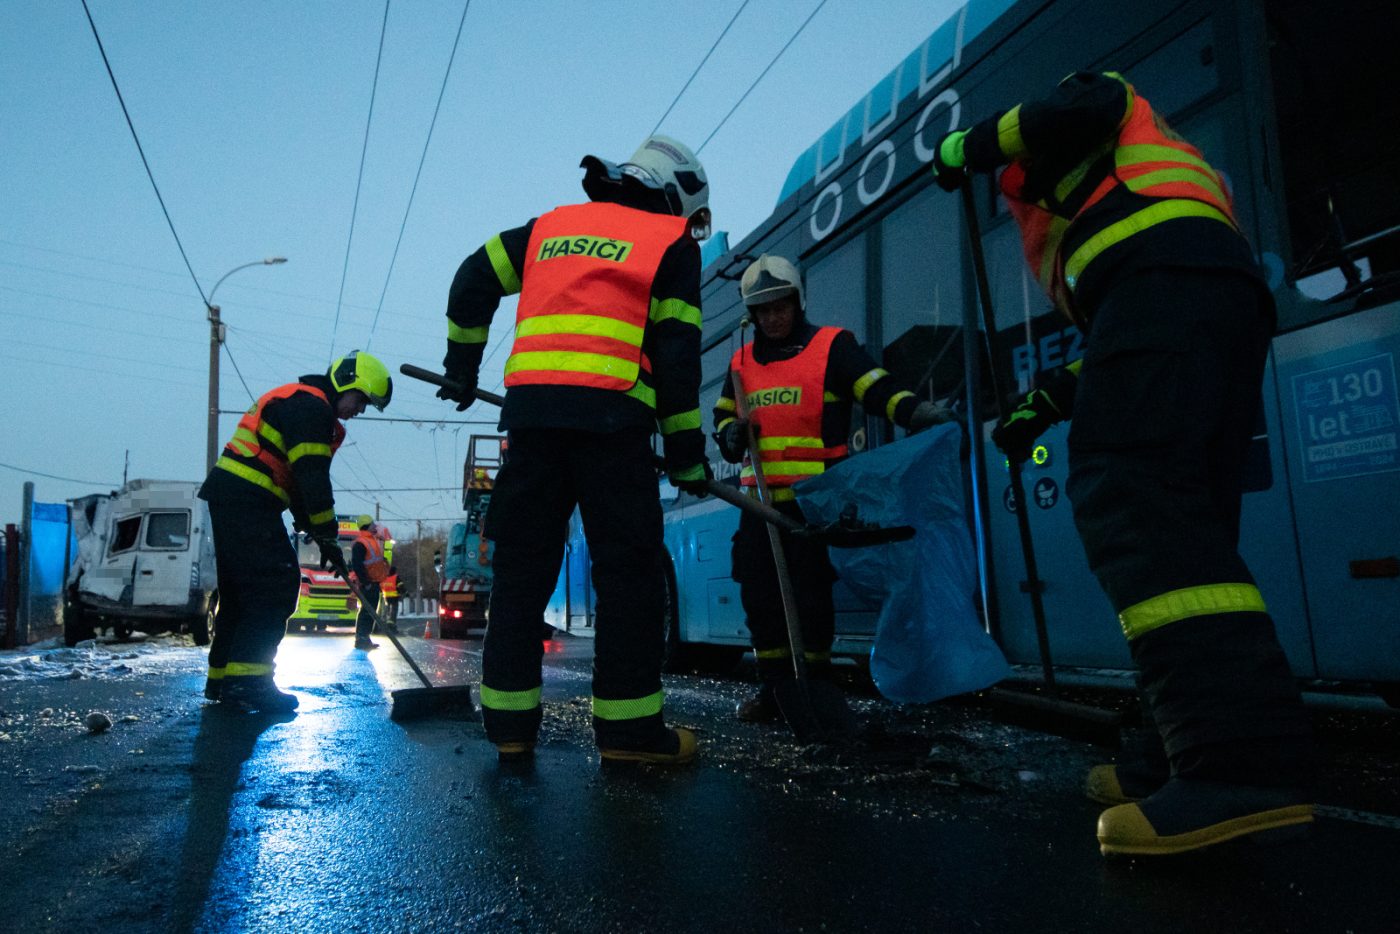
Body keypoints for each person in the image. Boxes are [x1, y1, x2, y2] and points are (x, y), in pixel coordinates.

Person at [931, 71, 1313, 855]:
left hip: (1174, 286)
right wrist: (1049, 400)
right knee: (1186, 525)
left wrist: (972, 143)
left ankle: (1236, 766)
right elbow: (1138, 323)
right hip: (1202, 297)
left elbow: (1084, 104)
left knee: (1132, 493)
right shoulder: (1132, 197)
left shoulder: (1093, 105)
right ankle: (1173, 753)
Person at [436, 134, 713, 764]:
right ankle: (629, 733)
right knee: (628, 577)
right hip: (612, 427)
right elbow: (676, 359)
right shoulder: (668, 242)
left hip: (532, 424)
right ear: (675, 196)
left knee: (521, 574)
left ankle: (508, 728)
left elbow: (472, 276)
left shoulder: (547, 230)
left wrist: (462, 362)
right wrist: (688, 455)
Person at [714, 254, 950, 723]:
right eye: (762, 310)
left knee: (810, 600)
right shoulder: (740, 361)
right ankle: (777, 689)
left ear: (797, 301)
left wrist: (914, 413)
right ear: (751, 315)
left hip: (814, 506)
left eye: (780, 305)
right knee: (761, 600)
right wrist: (729, 434)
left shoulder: (832, 347)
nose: (773, 317)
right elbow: (722, 417)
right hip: (759, 508)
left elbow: (877, 389)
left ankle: (817, 686)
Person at [199, 351, 392, 712]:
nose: (360, 410)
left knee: (241, 594)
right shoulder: (311, 409)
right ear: (346, 384)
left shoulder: (303, 404)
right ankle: (249, 684)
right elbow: (313, 480)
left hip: (236, 498)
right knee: (275, 586)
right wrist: (327, 533)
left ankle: (223, 681)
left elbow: (303, 490)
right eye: (362, 400)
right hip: (250, 498)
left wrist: (324, 538)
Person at [350, 514, 389, 650]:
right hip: (368, 584)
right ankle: (361, 638)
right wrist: (366, 582)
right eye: (372, 524)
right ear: (367, 525)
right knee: (367, 611)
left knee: (370, 611)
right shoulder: (361, 543)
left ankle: (364, 637)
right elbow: (358, 565)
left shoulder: (371, 540)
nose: (375, 526)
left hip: (374, 582)